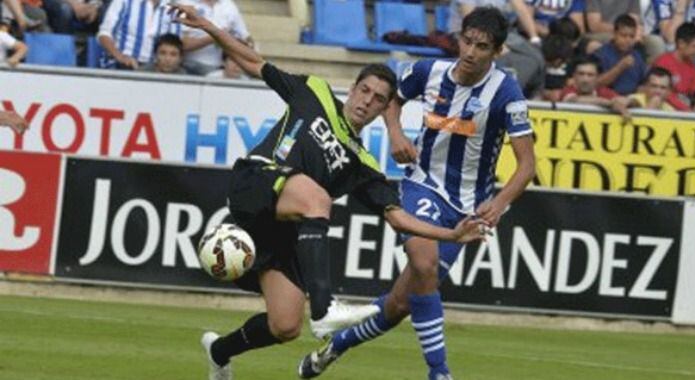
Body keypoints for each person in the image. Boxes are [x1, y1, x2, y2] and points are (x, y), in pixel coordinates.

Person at [168, 5, 488, 380]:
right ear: (352, 89)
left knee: (285, 325)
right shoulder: (314, 92)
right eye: (364, 90)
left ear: (385, 109)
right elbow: (254, 62)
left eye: (378, 99)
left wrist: (451, 234)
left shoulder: (364, 165)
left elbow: (399, 218)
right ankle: (325, 307)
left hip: (284, 227)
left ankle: (220, 352)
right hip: (256, 183)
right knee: (317, 198)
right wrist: (207, 25)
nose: (367, 101)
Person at [298, 7, 536, 380]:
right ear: (459, 37)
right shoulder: (430, 71)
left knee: (401, 303)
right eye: (467, 41)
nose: (471, 52)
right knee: (423, 265)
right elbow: (392, 98)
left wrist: (500, 202)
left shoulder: (506, 92)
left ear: (497, 51)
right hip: (422, 183)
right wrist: (395, 133)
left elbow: (527, 166)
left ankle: (337, 346)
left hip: (470, 207)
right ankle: (439, 373)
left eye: (482, 46)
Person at [98, 0, 180, 70]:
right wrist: (121, 57)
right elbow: (104, 34)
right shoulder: (123, 1)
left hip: (156, 68)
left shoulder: (172, 7)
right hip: (122, 64)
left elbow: (175, 43)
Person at [561, 55, 632, 120]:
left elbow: (632, 102)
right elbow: (574, 100)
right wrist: (611, 104)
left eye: (590, 75)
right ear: (574, 76)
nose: (585, 79)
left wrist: (627, 102)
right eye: (581, 74)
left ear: (597, 77)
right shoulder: (568, 90)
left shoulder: (602, 91)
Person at [652, 22, 695, 110]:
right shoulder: (663, 62)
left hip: (685, 109)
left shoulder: (692, 67)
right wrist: (687, 110)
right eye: (694, 46)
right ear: (681, 43)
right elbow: (664, 93)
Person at [593, 14, 647, 95]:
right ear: (614, 34)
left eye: (632, 36)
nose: (628, 40)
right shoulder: (600, 54)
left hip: (632, 101)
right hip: (606, 99)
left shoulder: (637, 56)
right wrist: (620, 67)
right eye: (623, 35)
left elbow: (643, 83)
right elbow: (594, 84)